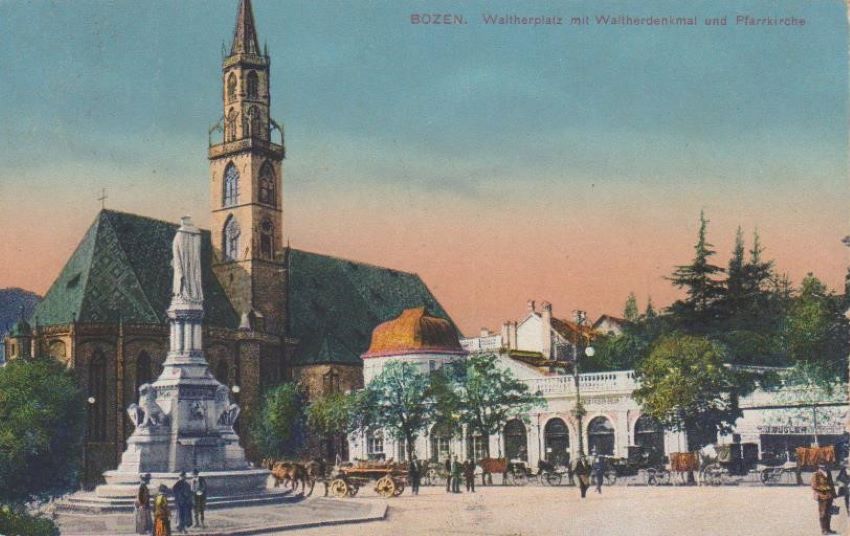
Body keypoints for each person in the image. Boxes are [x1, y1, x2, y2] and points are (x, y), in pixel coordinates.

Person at [812, 463, 837, 535]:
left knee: (829, 513)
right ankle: (823, 530)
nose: (824, 467)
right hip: (822, 496)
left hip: (829, 496)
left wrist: (834, 494)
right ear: (819, 466)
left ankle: (828, 529)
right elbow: (814, 486)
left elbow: (831, 484)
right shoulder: (816, 474)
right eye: (822, 466)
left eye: (825, 466)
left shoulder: (828, 473)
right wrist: (825, 488)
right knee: (823, 514)